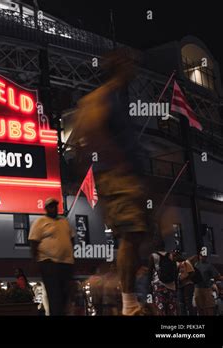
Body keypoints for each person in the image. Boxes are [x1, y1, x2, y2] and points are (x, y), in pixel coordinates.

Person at [71, 49, 150, 315]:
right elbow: (85, 136)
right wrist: (116, 163)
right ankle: (129, 303)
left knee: (138, 235)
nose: (134, 68)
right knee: (131, 234)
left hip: (125, 176)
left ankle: (130, 300)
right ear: (119, 66)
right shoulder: (102, 96)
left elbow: (79, 144)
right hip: (118, 177)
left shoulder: (115, 97)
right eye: (129, 63)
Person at [28, 197, 75, 316]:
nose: (53, 208)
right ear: (46, 208)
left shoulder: (64, 221)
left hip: (66, 262)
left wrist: (71, 254)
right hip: (49, 262)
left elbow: (71, 238)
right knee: (54, 295)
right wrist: (35, 261)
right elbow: (34, 242)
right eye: (51, 206)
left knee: (65, 294)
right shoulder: (40, 222)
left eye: (55, 206)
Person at [148, 245, 178, 316]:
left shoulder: (153, 256)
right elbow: (175, 272)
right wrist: (176, 285)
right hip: (171, 286)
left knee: (161, 310)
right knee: (172, 309)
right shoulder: (171, 255)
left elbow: (149, 273)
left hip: (159, 286)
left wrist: (149, 288)